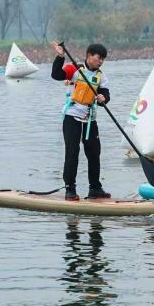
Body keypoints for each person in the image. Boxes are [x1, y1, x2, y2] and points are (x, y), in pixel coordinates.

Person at [51, 41, 111, 200]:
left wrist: (102, 98)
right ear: (89, 56)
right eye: (99, 58)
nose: (101, 61)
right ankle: (70, 188)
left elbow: (105, 96)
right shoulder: (74, 69)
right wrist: (60, 56)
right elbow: (56, 75)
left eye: (103, 59)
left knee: (94, 153)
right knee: (72, 152)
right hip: (72, 117)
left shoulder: (101, 77)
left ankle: (95, 189)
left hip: (90, 120)